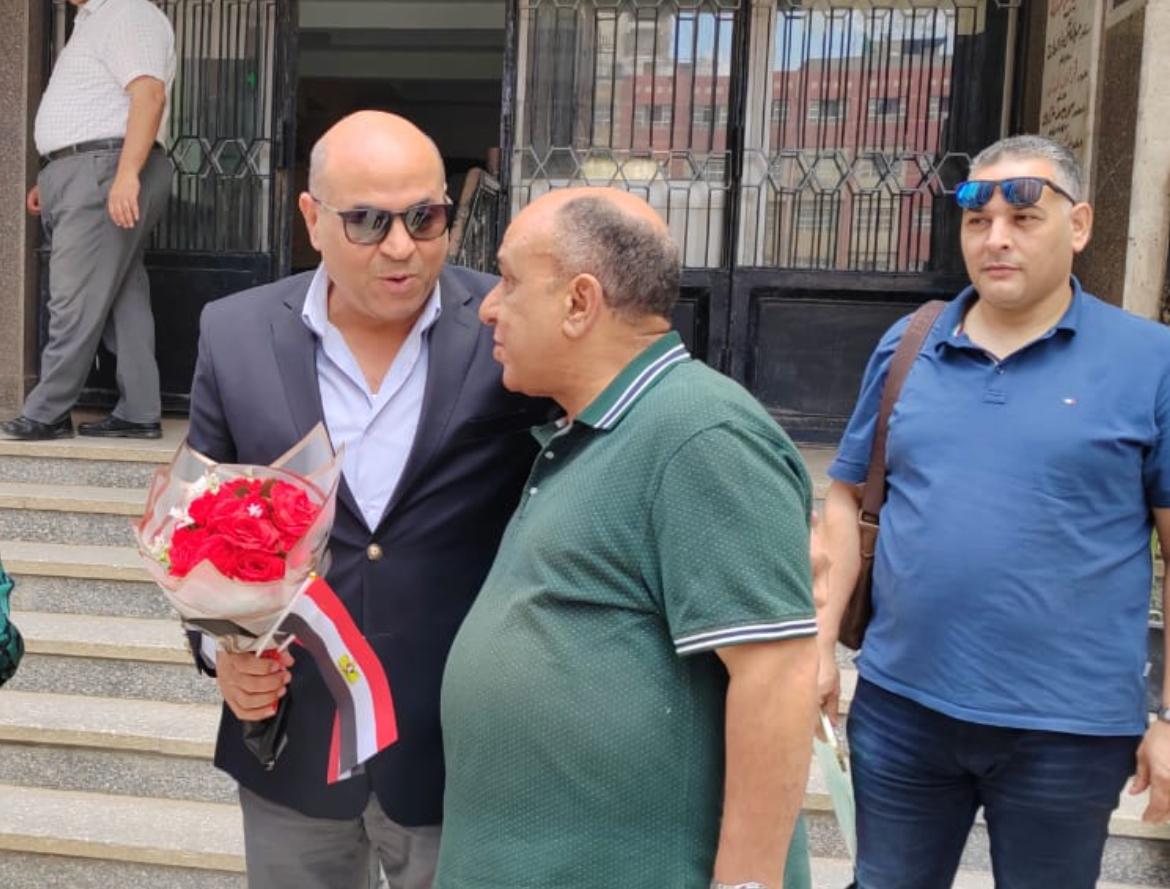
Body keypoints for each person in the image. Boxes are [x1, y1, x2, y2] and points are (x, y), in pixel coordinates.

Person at [185, 111, 548, 889]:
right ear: (312, 218)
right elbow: (200, 524)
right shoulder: (234, 332)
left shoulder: (508, 326)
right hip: (293, 744)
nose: (401, 246)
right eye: (368, 221)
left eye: (425, 217)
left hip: (459, 753)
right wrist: (224, 653)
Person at [435, 187, 820, 889]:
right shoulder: (597, 428)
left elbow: (776, 674)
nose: (488, 306)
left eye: (510, 281)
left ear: (579, 303)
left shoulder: (702, 434)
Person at [818, 134, 1170, 889]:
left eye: (1023, 218)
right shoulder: (911, 343)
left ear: (1079, 226)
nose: (996, 239)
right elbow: (847, 498)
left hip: (1068, 731)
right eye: (978, 221)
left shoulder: (1151, 361)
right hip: (902, 708)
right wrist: (819, 644)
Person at [1, 0, 175, 441]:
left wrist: (125, 175)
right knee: (122, 297)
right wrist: (57, 174)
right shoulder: (92, 20)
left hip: (105, 167)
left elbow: (149, 95)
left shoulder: (128, 11)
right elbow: (95, 105)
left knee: (72, 297)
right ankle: (139, 411)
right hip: (88, 169)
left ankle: (48, 412)